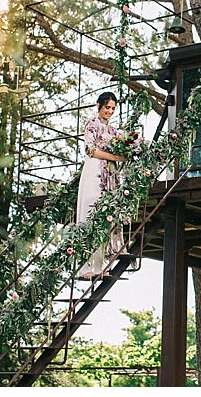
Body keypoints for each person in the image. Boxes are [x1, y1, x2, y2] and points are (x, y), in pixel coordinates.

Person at [76, 91, 126, 279]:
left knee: (105, 217)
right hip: (95, 170)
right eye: (107, 107)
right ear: (99, 106)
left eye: (113, 108)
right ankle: (83, 266)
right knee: (91, 213)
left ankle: (99, 266)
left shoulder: (114, 131)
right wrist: (114, 157)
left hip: (110, 174)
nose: (110, 111)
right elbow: (90, 150)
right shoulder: (92, 124)